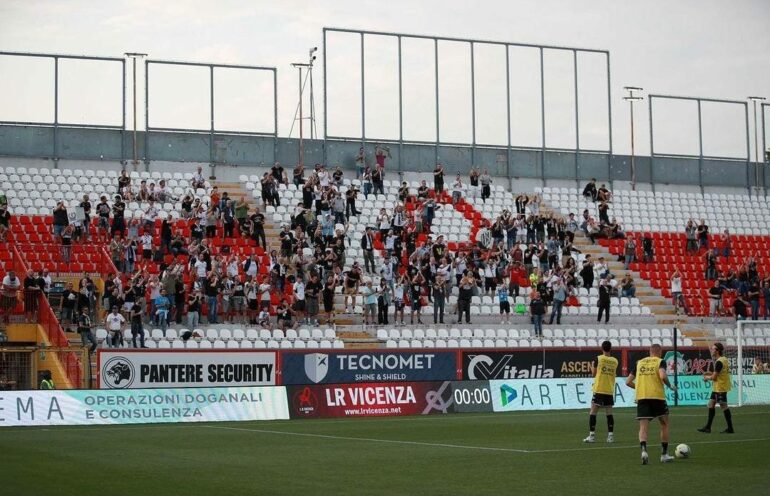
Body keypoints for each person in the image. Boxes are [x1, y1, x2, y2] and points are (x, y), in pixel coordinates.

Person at [626, 344, 678, 464]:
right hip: (657, 397)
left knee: (643, 427)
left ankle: (644, 451)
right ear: (660, 352)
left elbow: (628, 382)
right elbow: (662, 375)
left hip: (642, 397)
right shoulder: (660, 361)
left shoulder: (639, 363)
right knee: (664, 424)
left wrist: (639, 388)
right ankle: (664, 455)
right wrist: (670, 386)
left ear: (650, 352)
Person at [583, 340, 618, 443]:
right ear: (610, 348)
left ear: (602, 348)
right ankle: (610, 436)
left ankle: (592, 436)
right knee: (609, 413)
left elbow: (593, 374)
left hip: (599, 389)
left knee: (593, 412)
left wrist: (591, 366)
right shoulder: (615, 361)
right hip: (609, 389)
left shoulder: (598, 358)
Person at [698, 342, 735, 434]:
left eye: (713, 349)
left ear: (717, 351)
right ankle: (708, 427)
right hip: (717, 387)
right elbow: (719, 374)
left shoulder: (719, 362)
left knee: (724, 406)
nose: (712, 350)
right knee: (711, 404)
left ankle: (730, 428)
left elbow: (714, 377)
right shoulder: (724, 359)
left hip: (720, 388)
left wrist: (707, 377)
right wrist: (710, 373)